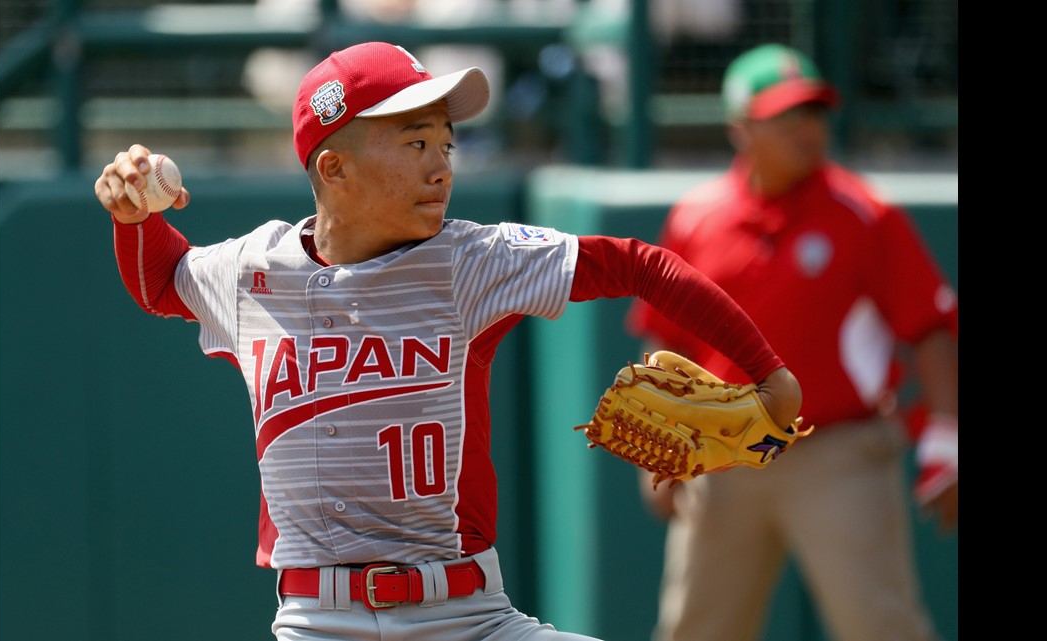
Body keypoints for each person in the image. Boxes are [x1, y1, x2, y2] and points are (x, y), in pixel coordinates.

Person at [93, 41, 804, 641]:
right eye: (413, 141)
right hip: (316, 619)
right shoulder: (255, 270)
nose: (441, 165)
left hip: (469, 615)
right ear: (334, 170)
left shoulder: (471, 261)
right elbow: (162, 281)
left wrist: (766, 368)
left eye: (445, 141)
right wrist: (134, 217)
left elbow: (635, 263)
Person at [626, 43, 958, 641]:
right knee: (697, 629)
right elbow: (663, 339)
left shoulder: (864, 213)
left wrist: (947, 440)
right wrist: (658, 443)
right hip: (721, 456)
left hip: (838, 453)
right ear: (742, 129)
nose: (808, 130)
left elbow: (930, 329)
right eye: (787, 117)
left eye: (815, 114)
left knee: (881, 627)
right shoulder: (698, 217)